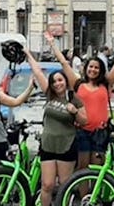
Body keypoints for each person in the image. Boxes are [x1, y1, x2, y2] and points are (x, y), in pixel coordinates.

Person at [46, 30, 114, 174]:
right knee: (82, 167)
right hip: (82, 131)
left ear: (100, 70)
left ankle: (95, 195)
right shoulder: (78, 84)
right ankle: (84, 197)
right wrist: (52, 44)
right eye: (91, 67)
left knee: (97, 168)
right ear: (86, 68)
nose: (93, 70)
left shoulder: (106, 85)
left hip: (100, 133)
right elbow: (64, 63)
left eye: (96, 67)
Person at [23, 48, 88, 206]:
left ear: (65, 81)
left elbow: (84, 120)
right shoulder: (49, 95)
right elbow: (38, 72)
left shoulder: (74, 99)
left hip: (66, 145)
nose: (57, 84)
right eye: (54, 82)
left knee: (65, 185)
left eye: (60, 80)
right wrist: (28, 55)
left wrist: (75, 113)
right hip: (48, 145)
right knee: (47, 185)